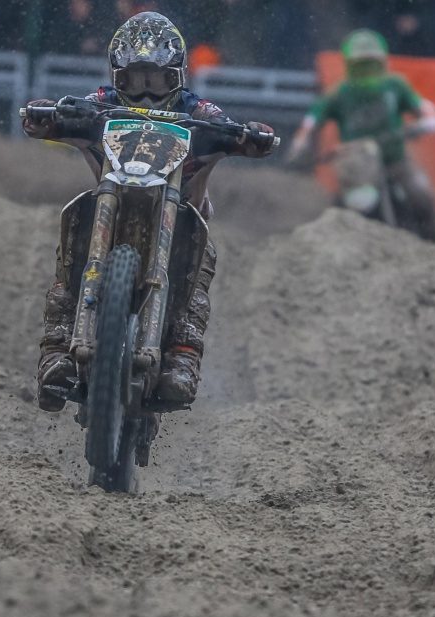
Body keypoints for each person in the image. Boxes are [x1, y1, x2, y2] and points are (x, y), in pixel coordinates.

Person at [23, 11, 274, 411]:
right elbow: (62, 114)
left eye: (155, 80)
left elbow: (228, 126)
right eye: (134, 80)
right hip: (112, 200)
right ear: (117, 77)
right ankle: (56, 352)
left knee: (202, 259)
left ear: (176, 76)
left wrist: (251, 136)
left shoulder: (197, 110)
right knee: (73, 231)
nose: (145, 93)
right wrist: (46, 115)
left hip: (181, 209)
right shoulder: (102, 103)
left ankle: (183, 356)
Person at [288, 28, 435, 241]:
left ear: (382, 62)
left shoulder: (395, 86)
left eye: (371, 64)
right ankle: (333, 243)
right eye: (361, 65)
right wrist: (301, 144)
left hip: (396, 161)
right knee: (346, 207)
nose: (367, 70)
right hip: (357, 165)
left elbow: (423, 109)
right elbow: (311, 122)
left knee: (421, 195)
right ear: (350, 65)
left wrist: (424, 123)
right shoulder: (340, 94)